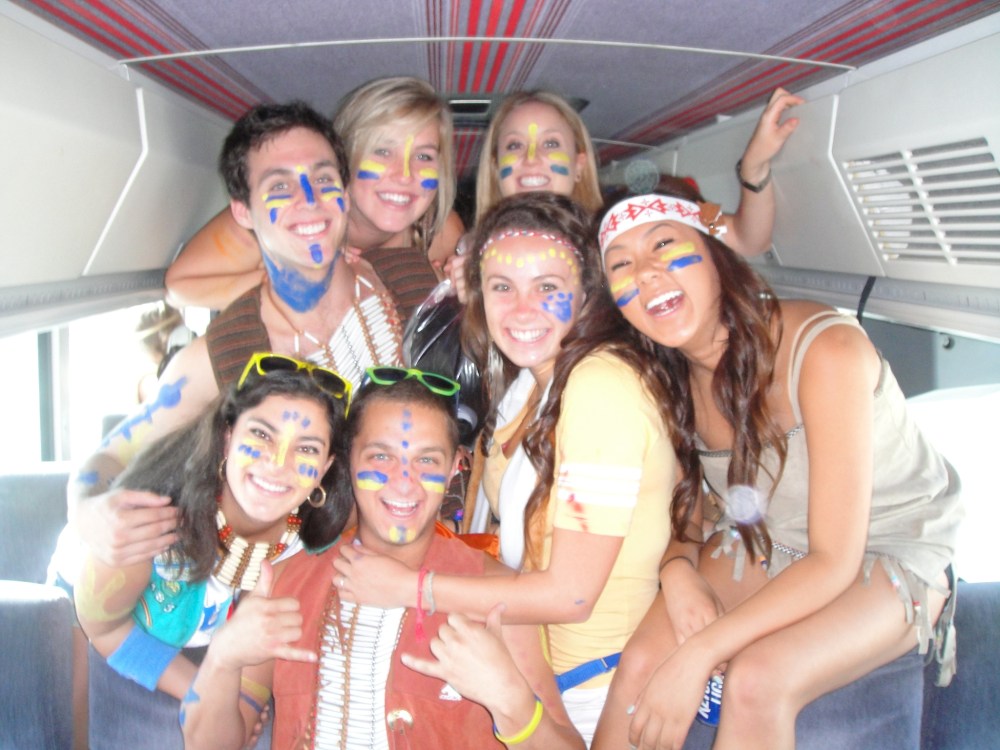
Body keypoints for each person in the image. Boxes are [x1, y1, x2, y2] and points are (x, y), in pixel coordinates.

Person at [597, 191, 962, 750]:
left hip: (883, 547)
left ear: (716, 252)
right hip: (763, 540)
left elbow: (834, 559)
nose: (645, 273)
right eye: (621, 265)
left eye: (664, 245)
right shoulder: (666, 379)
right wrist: (677, 572)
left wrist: (703, 651)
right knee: (644, 658)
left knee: (757, 681)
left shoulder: (826, 350)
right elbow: (690, 514)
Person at [333, 192, 679, 744]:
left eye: (548, 288)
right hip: (536, 661)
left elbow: (571, 595)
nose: (522, 310)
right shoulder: (528, 384)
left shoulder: (600, 386)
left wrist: (409, 588)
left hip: (602, 693)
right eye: (502, 287)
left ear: (586, 294)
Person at [53, 101, 403, 583]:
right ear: (243, 210)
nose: (309, 199)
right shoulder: (221, 356)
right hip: (302, 579)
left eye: (324, 179)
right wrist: (87, 510)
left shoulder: (403, 285)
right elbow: (111, 456)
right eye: (279, 186)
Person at [180, 371, 584, 749]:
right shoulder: (284, 583)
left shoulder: (497, 595)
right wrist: (222, 659)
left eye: (426, 460)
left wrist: (513, 703)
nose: (404, 480)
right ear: (344, 463)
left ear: (453, 468)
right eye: (380, 457)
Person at [75, 353, 352, 748]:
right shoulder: (149, 519)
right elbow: (103, 626)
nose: (277, 464)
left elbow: (225, 737)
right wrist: (197, 684)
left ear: (325, 468)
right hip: (95, 611)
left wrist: (231, 683)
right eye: (261, 435)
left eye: (305, 449)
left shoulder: (304, 556)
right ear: (227, 437)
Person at [445, 86, 802, 303]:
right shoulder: (474, 251)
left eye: (551, 143)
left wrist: (753, 170)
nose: (532, 158)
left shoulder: (633, 214)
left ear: (579, 162)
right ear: (495, 166)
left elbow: (745, 237)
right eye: (515, 146)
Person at [166, 76, 464, 320]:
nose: (405, 174)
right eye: (382, 151)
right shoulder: (283, 217)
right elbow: (180, 288)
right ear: (343, 158)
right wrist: (308, 276)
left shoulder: (439, 230)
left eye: (424, 156)